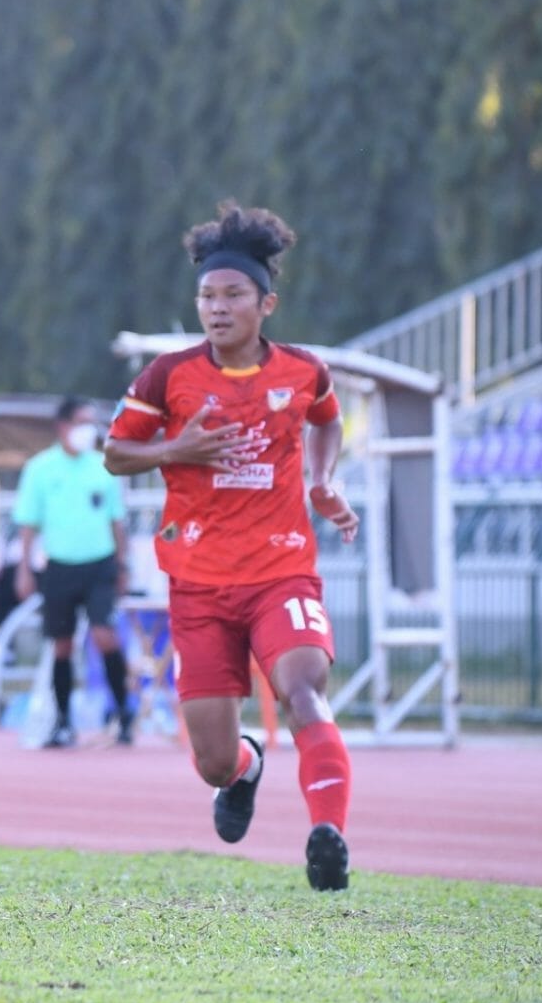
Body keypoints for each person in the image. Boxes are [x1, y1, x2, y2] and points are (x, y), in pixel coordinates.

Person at [103, 201, 359, 892]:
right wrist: (175, 449)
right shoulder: (169, 376)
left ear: (266, 303)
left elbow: (328, 420)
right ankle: (245, 769)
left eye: (233, 295)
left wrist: (322, 481)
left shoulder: (303, 371)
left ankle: (329, 834)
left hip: (282, 573)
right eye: (207, 296)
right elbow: (116, 453)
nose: (217, 308)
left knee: (303, 689)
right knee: (212, 762)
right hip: (199, 585)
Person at [12, 397, 132, 747]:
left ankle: (123, 713)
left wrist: (123, 565)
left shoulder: (103, 465)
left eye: (91, 423)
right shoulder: (40, 468)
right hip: (60, 567)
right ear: (62, 426)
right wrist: (24, 569)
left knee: (104, 635)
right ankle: (63, 721)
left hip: (100, 564)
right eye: (81, 422)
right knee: (61, 645)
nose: (88, 430)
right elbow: (28, 524)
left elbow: (117, 521)